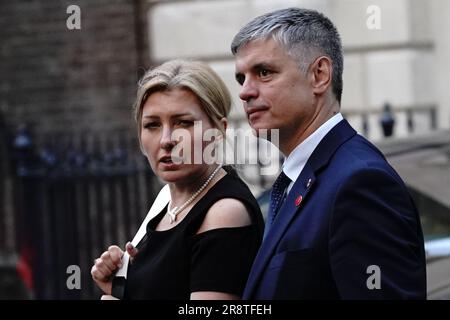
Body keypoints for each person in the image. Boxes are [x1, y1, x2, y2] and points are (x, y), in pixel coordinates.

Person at [231, 7, 426, 299]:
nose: (245, 92)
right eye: (241, 79)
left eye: (264, 72)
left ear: (319, 75)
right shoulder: (299, 178)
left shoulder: (360, 182)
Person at [91, 60, 264, 300]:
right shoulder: (166, 201)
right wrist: (121, 285)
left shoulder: (225, 212)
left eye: (183, 122)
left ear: (219, 131)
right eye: (152, 125)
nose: (166, 140)